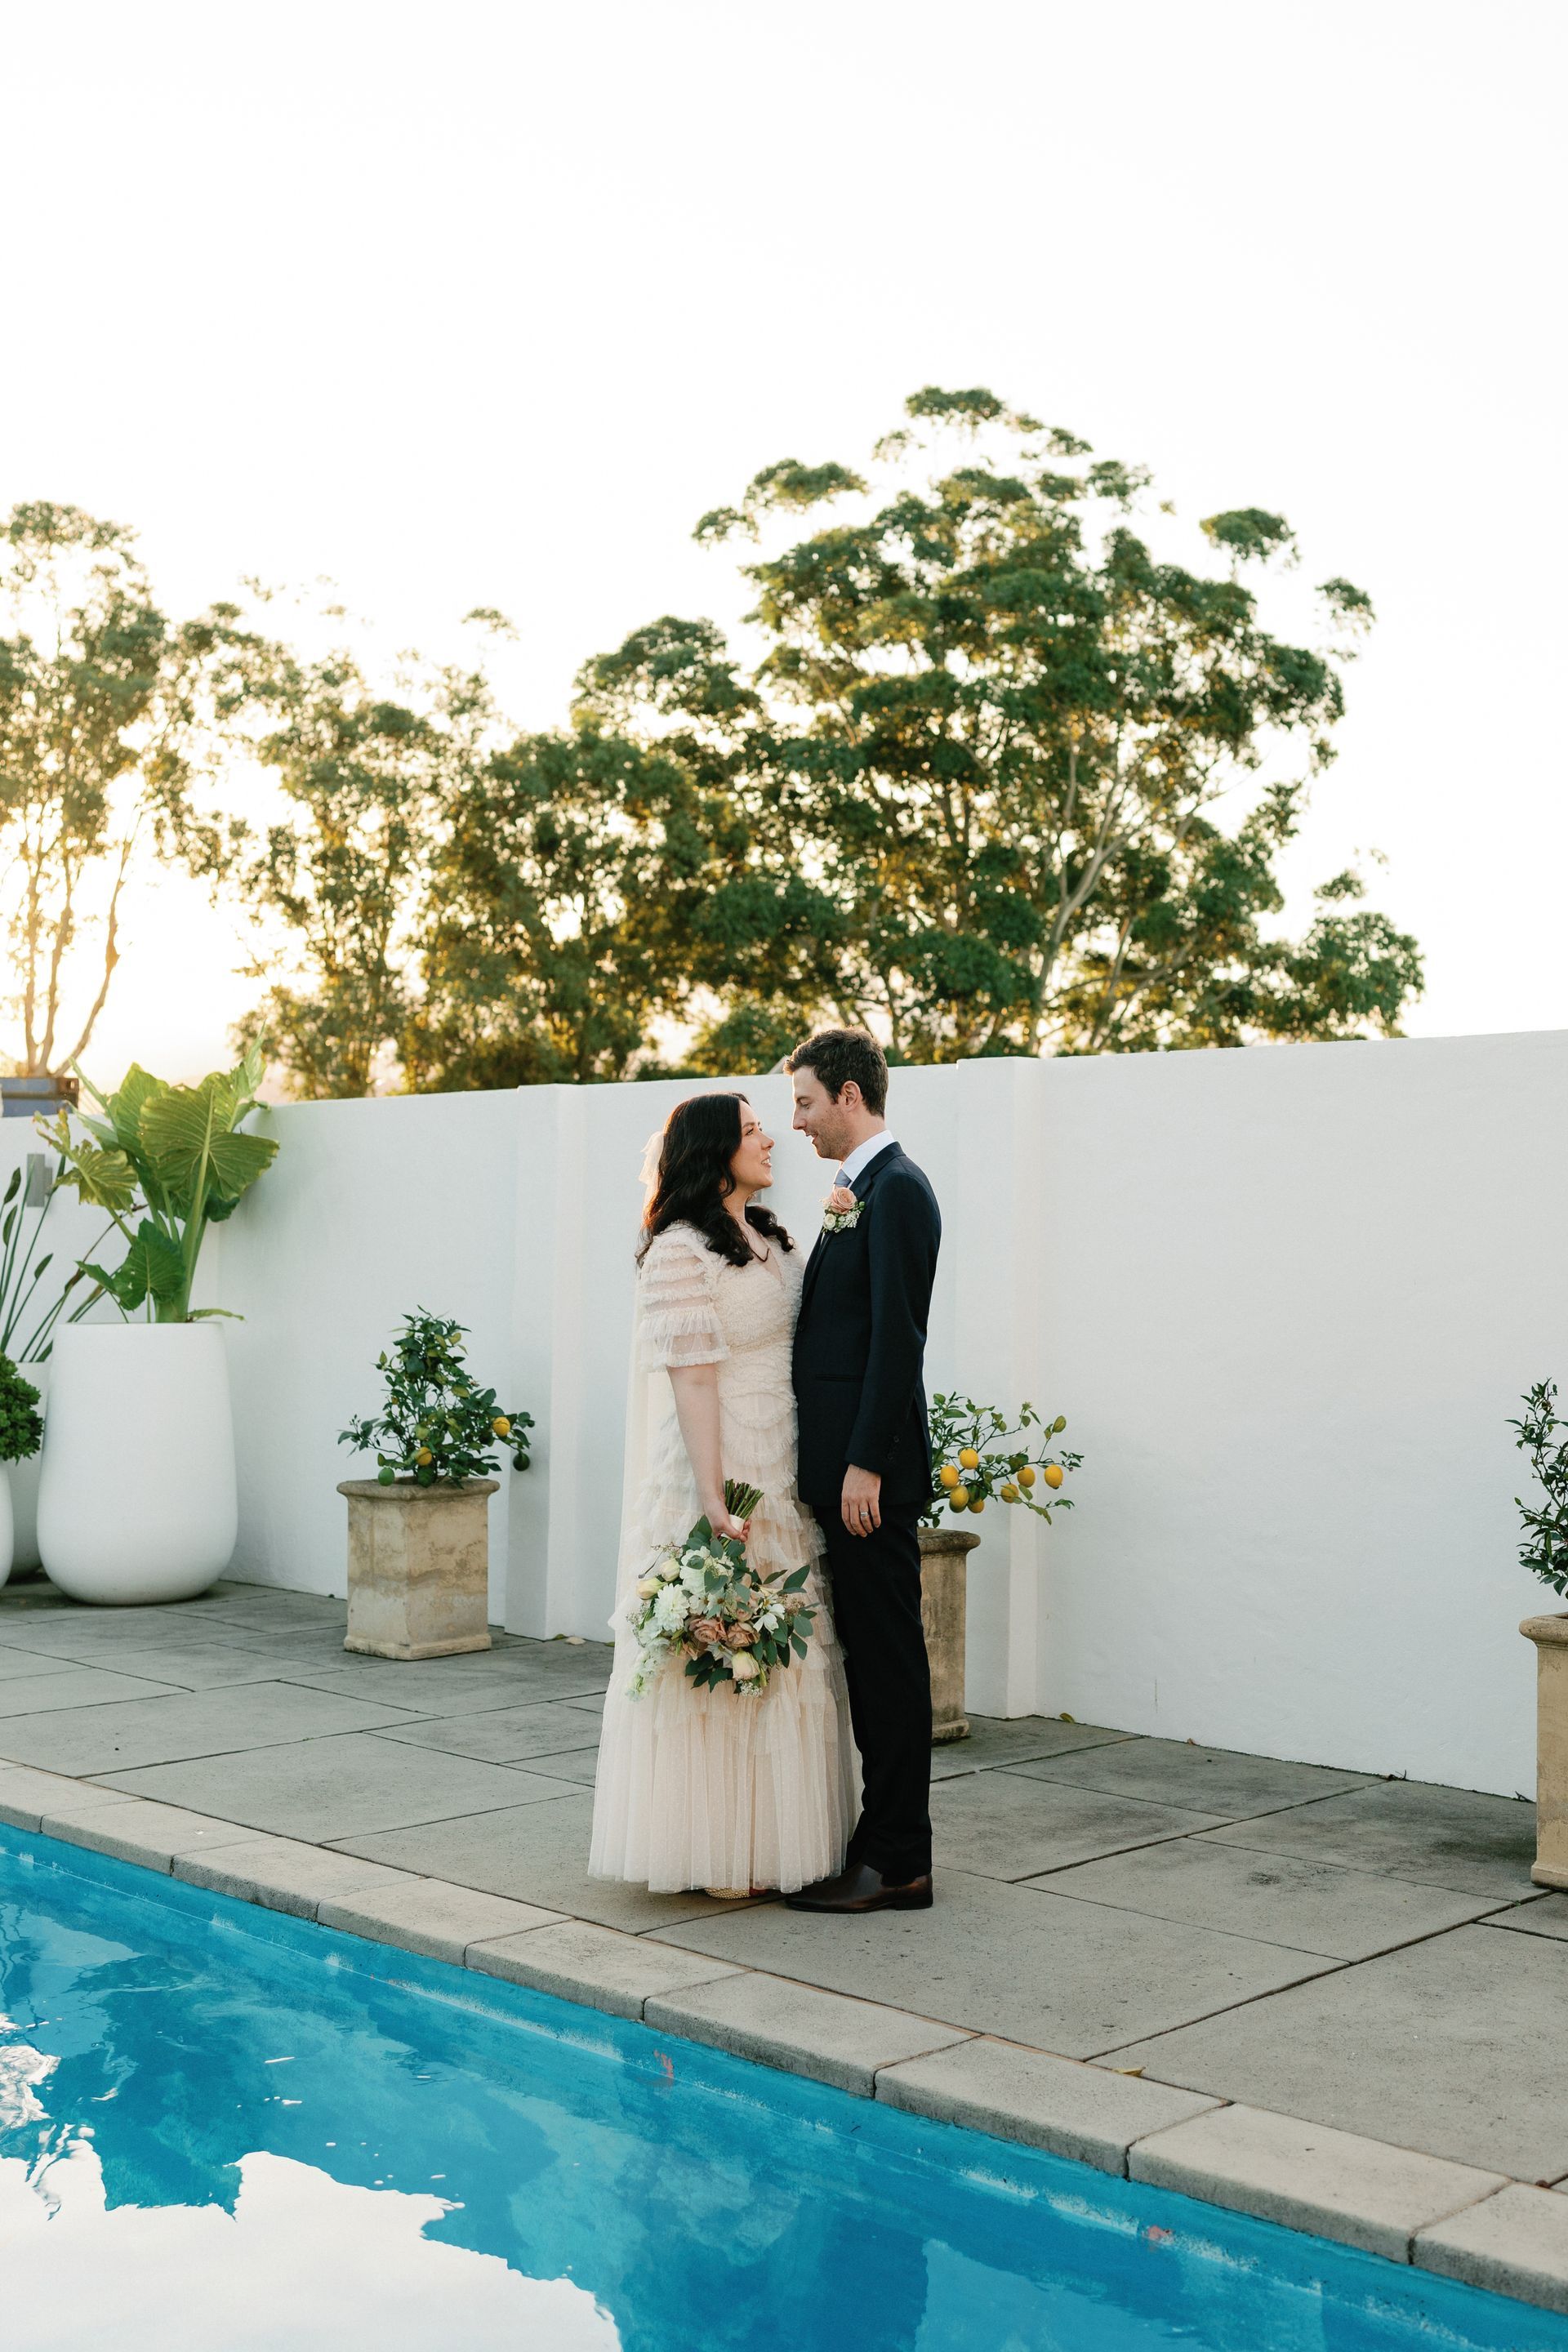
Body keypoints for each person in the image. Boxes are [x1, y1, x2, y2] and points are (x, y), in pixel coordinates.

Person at [589, 1091, 857, 1899]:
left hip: (785, 1458)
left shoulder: (771, 1235)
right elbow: (693, 1379)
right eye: (750, 1131)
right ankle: (715, 1850)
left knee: (788, 1651)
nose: (770, 1137)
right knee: (721, 1641)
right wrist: (713, 1495)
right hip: (723, 1461)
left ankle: (773, 1840)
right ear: (714, 1151)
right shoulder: (677, 1249)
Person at [783, 1027, 942, 1914]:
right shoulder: (859, 1190)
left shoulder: (899, 1191)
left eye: (805, 1102)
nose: (797, 1121)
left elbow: (897, 1343)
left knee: (889, 1665)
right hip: (847, 1475)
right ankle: (881, 1845)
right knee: (873, 1662)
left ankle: (899, 1862)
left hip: (867, 1481)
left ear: (849, 1095)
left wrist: (863, 1466)